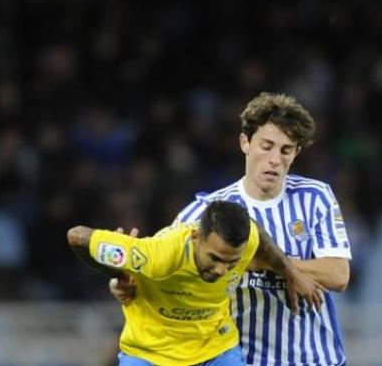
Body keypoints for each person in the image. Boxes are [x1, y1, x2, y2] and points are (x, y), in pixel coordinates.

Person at [112, 92, 351, 365]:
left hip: (318, 359)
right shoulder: (206, 212)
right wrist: (124, 281)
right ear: (245, 143)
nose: (274, 159)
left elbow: (338, 274)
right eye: (267, 146)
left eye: (285, 150)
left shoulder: (315, 196)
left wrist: (261, 261)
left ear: (296, 153)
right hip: (247, 359)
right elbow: (158, 268)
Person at [67, 200, 323, 366]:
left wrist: (290, 271)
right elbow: (77, 237)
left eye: (231, 263)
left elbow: (256, 231)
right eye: (215, 258)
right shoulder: (157, 255)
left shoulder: (247, 241)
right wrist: (117, 274)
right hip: (150, 354)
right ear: (196, 237)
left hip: (216, 350)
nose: (222, 270)